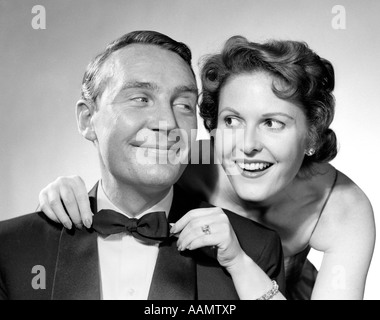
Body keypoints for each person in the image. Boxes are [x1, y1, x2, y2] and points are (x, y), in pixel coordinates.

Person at [38, 35, 376, 300]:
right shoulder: (188, 163)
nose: (247, 145)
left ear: (312, 135)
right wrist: (67, 192)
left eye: (273, 123)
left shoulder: (343, 209)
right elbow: (121, 184)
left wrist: (241, 262)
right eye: (231, 120)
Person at [0, 31, 285, 300]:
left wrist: (239, 264)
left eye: (184, 105)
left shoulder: (251, 249)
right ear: (87, 120)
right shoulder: (11, 248)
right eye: (141, 99)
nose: (168, 123)